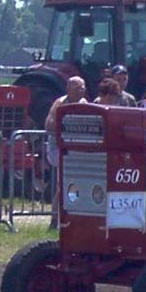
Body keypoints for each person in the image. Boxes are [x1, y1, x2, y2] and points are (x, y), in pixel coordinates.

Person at [45, 76, 87, 230]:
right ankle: (54, 219)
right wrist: (67, 127)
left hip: (76, 149)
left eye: (83, 87)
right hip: (58, 149)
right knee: (63, 184)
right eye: (77, 88)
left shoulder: (84, 104)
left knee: (75, 183)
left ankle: (75, 218)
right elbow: (49, 125)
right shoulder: (60, 103)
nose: (81, 91)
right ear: (68, 89)